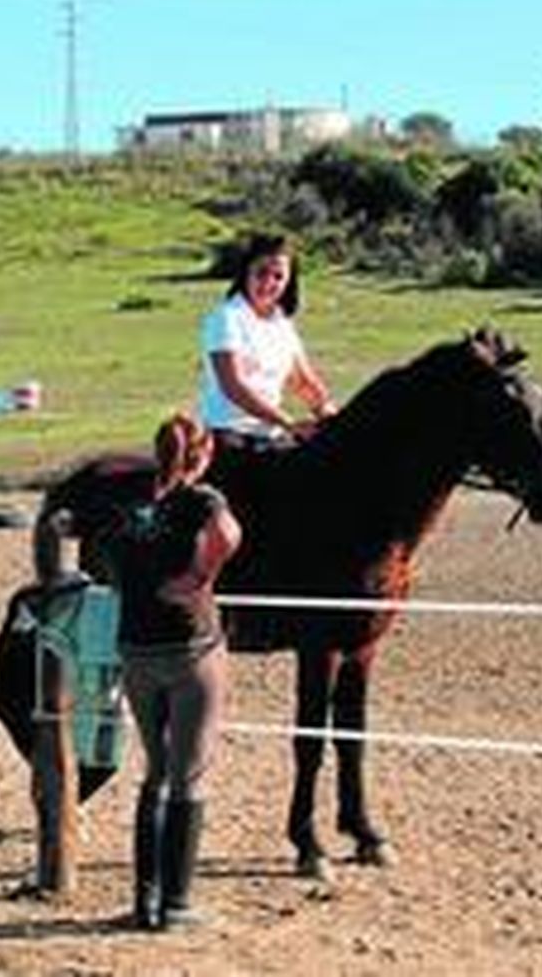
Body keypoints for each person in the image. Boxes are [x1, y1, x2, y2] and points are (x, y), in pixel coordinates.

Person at [108, 413, 241, 931]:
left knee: (155, 771)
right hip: (190, 647)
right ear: (200, 455)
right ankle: (177, 903)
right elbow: (229, 534)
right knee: (189, 775)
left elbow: (97, 546)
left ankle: (145, 899)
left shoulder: (132, 506)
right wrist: (198, 575)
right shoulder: (203, 501)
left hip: (136, 648)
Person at [198, 233, 336, 448]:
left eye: (278, 276)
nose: (269, 283)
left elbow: (302, 381)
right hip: (229, 435)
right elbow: (233, 386)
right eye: (261, 273)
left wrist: (326, 411)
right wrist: (289, 424)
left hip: (271, 434)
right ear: (246, 272)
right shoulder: (226, 318)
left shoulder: (281, 323)